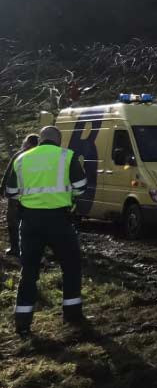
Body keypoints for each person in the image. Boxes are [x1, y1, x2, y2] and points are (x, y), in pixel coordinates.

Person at [5, 126, 87, 336]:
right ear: (58, 140)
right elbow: (81, 187)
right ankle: (72, 314)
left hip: (30, 222)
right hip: (59, 220)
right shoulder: (67, 156)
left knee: (29, 272)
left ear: (40, 140)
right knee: (70, 265)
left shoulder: (21, 158)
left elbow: (11, 192)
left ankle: (22, 323)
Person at [1, 134, 40, 257]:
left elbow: (9, 174)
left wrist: (3, 189)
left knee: (13, 223)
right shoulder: (42, 157)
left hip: (17, 196)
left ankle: (15, 248)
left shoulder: (19, 156)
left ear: (27, 143)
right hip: (36, 197)